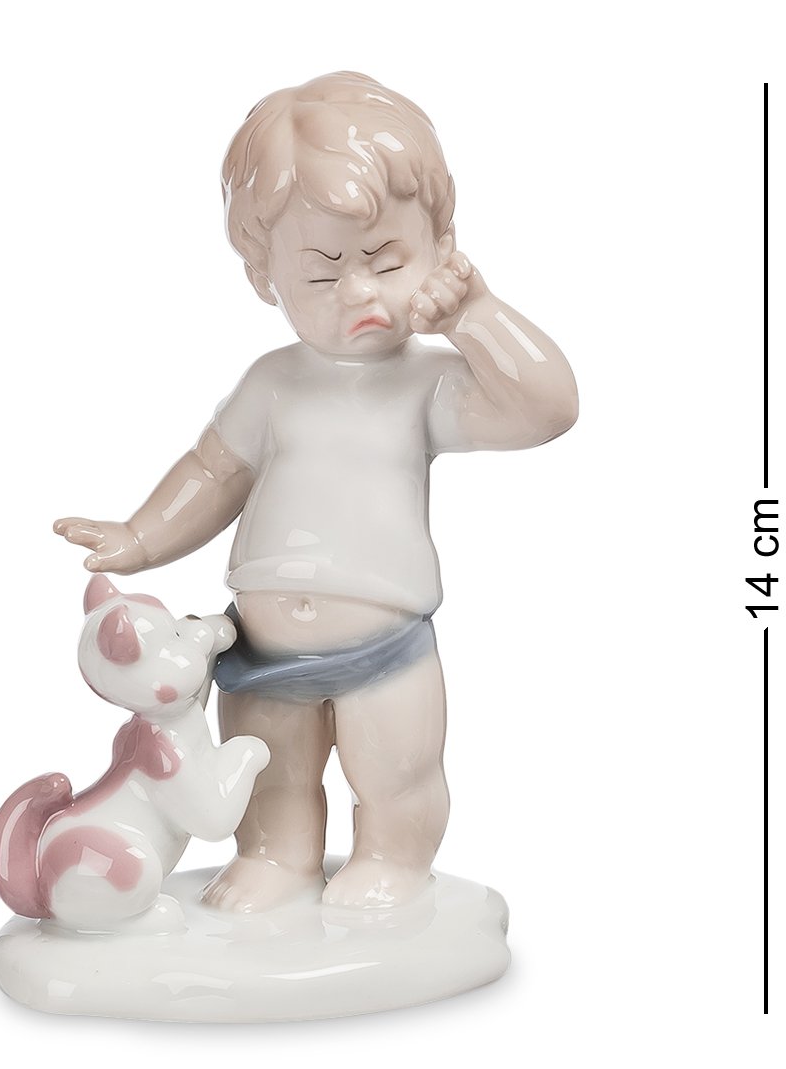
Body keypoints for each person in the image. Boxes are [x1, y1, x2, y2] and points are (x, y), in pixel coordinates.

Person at [54, 72, 578, 912]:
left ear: (442, 246)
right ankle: (277, 858)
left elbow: (545, 408)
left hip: (386, 646)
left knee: (397, 774)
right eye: (323, 276)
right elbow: (211, 472)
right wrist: (142, 537)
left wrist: (476, 315)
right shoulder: (274, 382)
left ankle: (395, 862)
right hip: (260, 649)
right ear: (266, 278)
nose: (360, 292)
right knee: (268, 775)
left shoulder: (427, 385)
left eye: (386, 260)